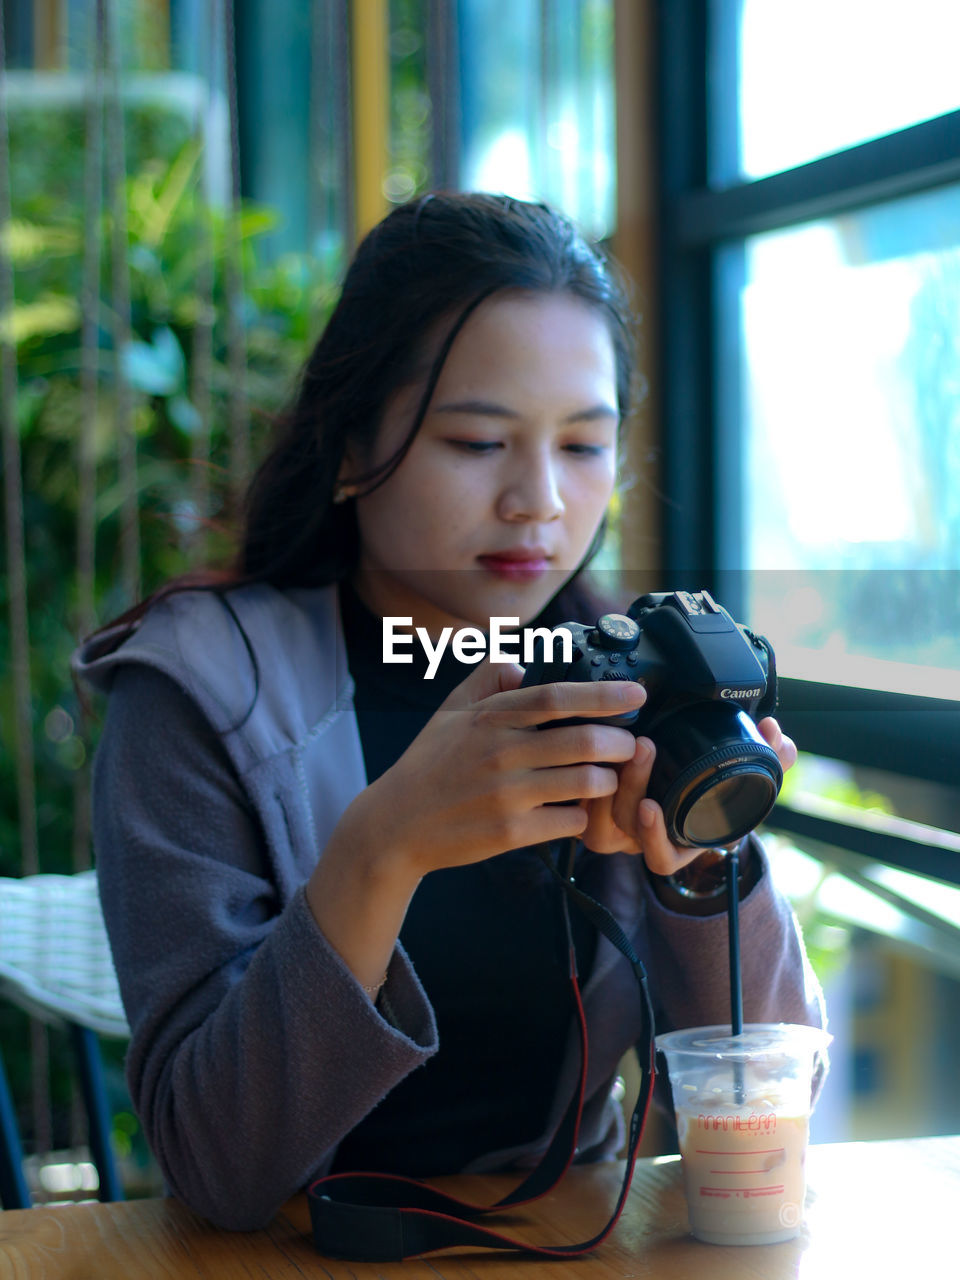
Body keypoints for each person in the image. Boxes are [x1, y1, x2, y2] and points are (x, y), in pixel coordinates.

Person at [74, 192, 825, 1232]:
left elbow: (774, 1101)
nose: (539, 500)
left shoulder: (624, 680)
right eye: (477, 442)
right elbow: (218, 1162)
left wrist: (703, 870)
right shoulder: (200, 690)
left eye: (582, 446)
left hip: (560, 1242)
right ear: (347, 448)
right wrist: (381, 849)